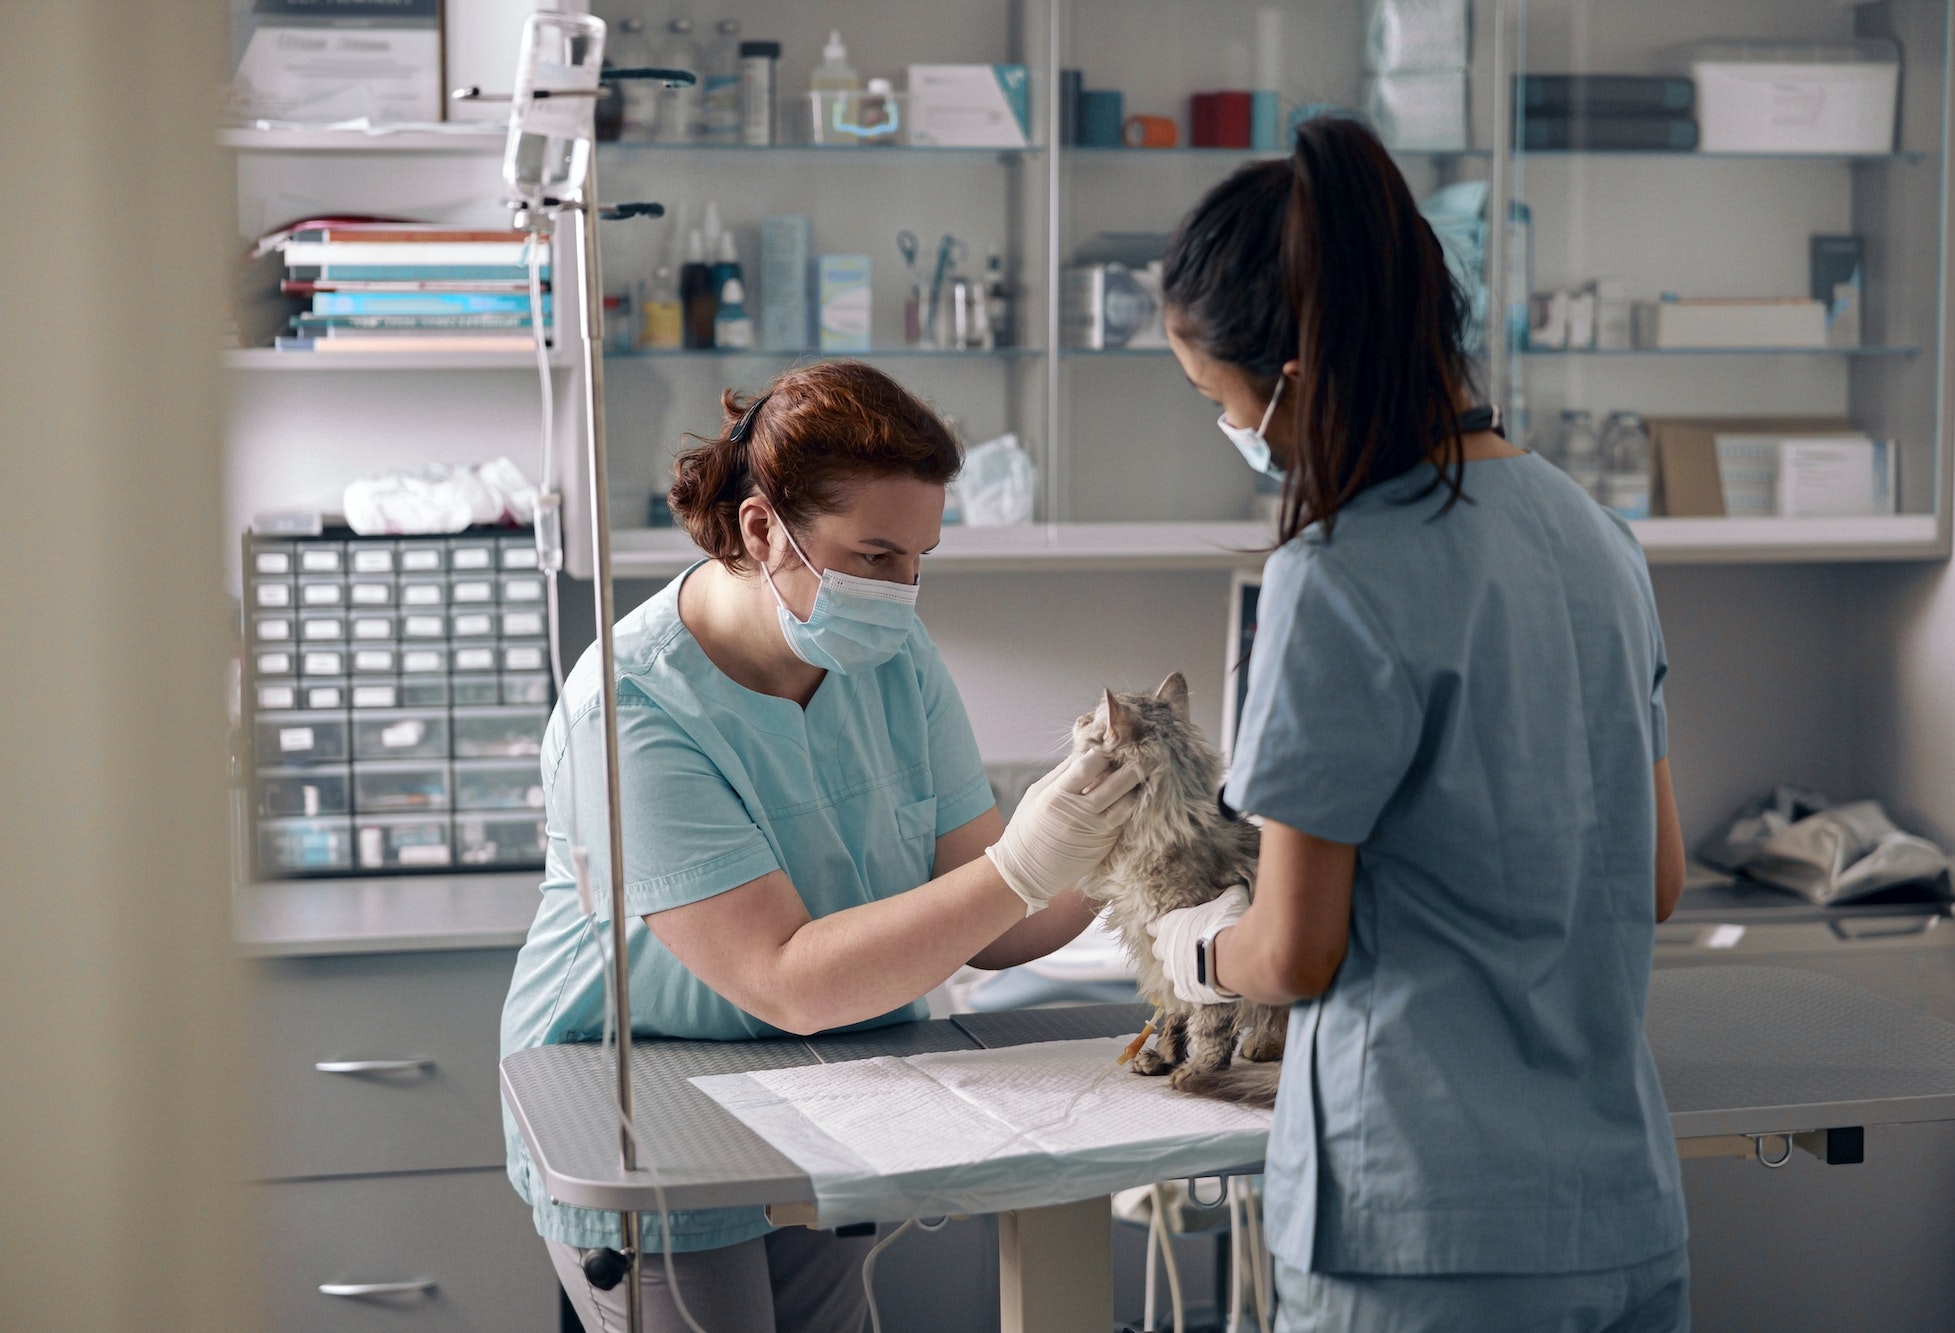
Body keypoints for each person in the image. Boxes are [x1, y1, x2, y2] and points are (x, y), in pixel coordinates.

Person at [1145, 117, 1691, 1332]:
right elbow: (1654, 875)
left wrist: (1199, 947)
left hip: (1425, 1235)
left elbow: (1295, 951)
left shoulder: (1336, 575)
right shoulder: (1598, 540)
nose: (1230, 431)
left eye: (1213, 397)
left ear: (1290, 374)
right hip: (1617, 1215)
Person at [500, 360, 1141, 1333]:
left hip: (825, 1080)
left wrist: (1119, 847)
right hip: (646, 1097)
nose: (903, 588)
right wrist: (1020, 866)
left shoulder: (886, 656)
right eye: (876, 556)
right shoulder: (629, 711)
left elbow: (982, 915)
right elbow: (786, 976)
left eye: (919, 557)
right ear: (761, 528)